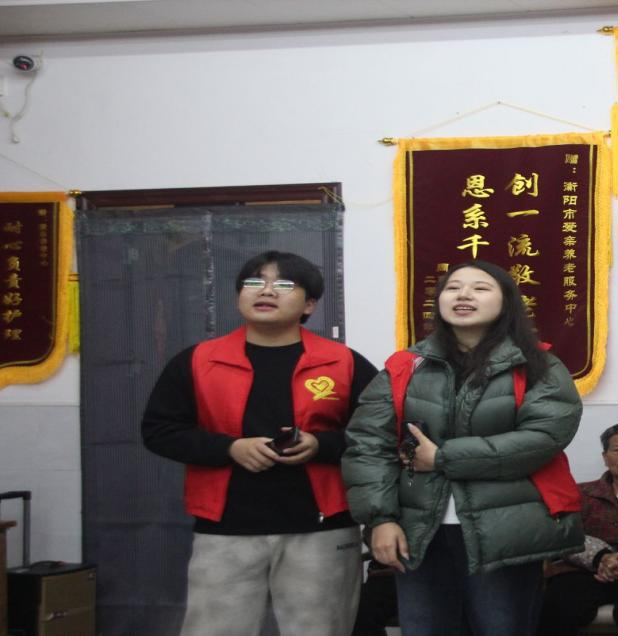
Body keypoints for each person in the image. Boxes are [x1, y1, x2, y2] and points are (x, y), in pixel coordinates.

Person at [342, 260, 584, 636]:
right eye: (453, 288)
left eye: (480, 288)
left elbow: (543, 439)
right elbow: (367, 445)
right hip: (419, 531)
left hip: (506, 531)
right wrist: (381, 519)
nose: (463, 295)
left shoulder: (538, 365)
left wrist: (442, 458)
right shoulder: (405, 366)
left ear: (506, 302)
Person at [141, 250, 377, 636]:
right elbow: (159, 431)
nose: (266, 291)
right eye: (254, 282)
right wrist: (230, 449)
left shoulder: (343, 363)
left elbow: (379, 435)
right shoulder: (199, 361)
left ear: (310, 304)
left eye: (283, 284)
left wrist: (321, 445)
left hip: (322, 527)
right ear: (239, 295)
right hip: (226, 527)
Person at [537, 422, 618, 636]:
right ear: (605, 457)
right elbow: (564, 534)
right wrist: (601, 558)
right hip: (583, 571)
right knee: (559, 604)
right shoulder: (579, 493)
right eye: (617, 450)